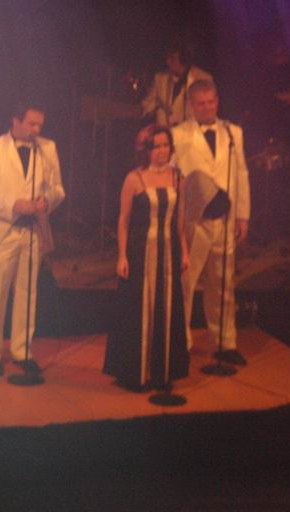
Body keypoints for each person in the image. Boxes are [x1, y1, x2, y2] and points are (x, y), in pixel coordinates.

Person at [0, 103, 66, 376]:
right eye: (32, 124)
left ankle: (22, 351)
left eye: (40, 125)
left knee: (28, 294)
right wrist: (14, 205)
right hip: (4, 231)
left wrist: (47, 201)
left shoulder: (47, 148)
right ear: (16, 120)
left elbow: (58, 188)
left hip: (33, 231)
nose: (37, 130)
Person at [103, 125, 190, 391]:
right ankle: (135, 373)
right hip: (140, 252)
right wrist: (122, 256)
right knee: (137, 311)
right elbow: (123, 221)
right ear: (146, 150)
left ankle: (163, 373)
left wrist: (184, 251)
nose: (162, 151)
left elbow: (180, 220)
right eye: (156, 146)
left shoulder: (178, 177)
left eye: (165, 146)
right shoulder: (134, 178)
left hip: (168, 252)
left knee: (167, 309)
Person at [172, 79, 250, 366]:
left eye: (211, 102)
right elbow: (173, 175)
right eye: (201, 103)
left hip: (225, 219)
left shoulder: (233, 133)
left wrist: (243, 214)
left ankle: (224, 343)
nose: (207, 108)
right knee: (186, 282)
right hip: (195, 219)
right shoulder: (179, 135)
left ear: (217, 101)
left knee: (223, 283)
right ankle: (179, 342)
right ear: (191, 106)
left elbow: (241, 173)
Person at [141, 45, 213, 127]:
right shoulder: (160, 78)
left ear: (184, 58)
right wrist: (135, 110)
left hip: (191, 133)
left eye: (172, 58)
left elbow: (207, 112)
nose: (168, 61)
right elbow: (147, 105)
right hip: (165, 133)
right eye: (167, 57)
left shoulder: (203, 79)